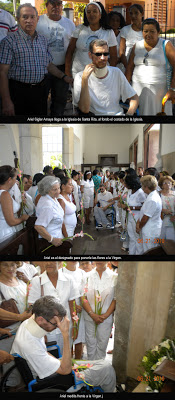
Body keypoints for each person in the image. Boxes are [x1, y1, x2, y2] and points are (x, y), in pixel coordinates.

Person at [11, 296, 116, 392]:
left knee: (100, 363)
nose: (57, 327)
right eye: (55, 324)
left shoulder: (28, 324)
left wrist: (57, 361)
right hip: (56, 380)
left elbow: (43, 352)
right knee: (107, 368)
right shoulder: (31, 346)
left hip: (51, 367)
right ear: (41, 319)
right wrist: (65, 335)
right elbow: (65, 370)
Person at [0, 3, 72, 116]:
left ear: (37, 19)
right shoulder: (9, 42)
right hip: (18, 92)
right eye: (25, 17)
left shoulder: (43, 40)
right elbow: (2, 73)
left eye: (32, 17)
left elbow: (48, 65)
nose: (29, 20)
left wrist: (64, 76)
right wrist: (6, 101)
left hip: (40, 92)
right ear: (18, 19)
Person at [73, 39, 138, 116]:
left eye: (105, 54)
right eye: (98, 54)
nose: (103, 58)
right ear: (90, 55)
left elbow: (134, 97)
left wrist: (129, 115)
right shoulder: (80, 77)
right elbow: (84, 109)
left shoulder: (116, 72)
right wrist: (85, 80)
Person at [125, 18, 175, 115]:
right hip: (137, 90)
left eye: (152, 31)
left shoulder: (166, 45)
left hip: (160, 91)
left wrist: (172, 89)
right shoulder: (137, 45)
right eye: (145, 31)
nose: (148, 34)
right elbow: (130, 67)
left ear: (158, 32)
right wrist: (126, 88)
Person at [28, 262, 79, 354]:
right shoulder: (37, 281)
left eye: (52, 260)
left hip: (66, 326)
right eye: (46, 260)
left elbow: (73, 305)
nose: (48, 263)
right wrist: (39, 330)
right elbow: (33, 309)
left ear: (59, 261)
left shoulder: (69, 279)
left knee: (65, 354)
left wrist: (75, 325)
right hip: (46, 328)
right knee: (49, 356)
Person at [37, 0, 75, 116]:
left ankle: (56, 124)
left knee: (60, 101)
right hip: (42, 68)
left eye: (59, 4)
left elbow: (73, 47)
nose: (56, 7)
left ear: (62, 6)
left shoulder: (69, 24)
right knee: (40, 100)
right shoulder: (38, 21)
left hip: (62, 68)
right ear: (47, 5)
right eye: (52, 3)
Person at [65, 1, 117, 79]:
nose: (91, 14)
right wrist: (67, 73)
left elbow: (113, 57)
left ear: (100, 14)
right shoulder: (79, 29)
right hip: (79, 73)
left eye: (94, 11)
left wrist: (108, 74)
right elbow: (70, 51)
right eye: (88, 12)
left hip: (100, 74)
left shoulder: (109, 32)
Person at [81, 262, 117, 361]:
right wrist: (92, 314)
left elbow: (115, 299)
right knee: (90, 345)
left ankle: (100, 371)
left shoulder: (115, 277)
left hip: (106, 318)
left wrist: (105, 316)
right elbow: (83, 297)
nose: (99, 260)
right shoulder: (86, 276)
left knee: (102, 345)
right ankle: (92, 371)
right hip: (89, 317)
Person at [0, 262, 29, 375]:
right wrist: (19, 317)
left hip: (25, 329)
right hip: (8, 332)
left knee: (24, 361)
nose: (10, 268)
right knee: (10, 363)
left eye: (12, 265)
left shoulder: (21, 282)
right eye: (5, 265)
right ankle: (10, 388)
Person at [35, 176, 68, 253]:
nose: (58, 191)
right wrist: (52, 239)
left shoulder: (53, 198)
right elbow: (38, 226)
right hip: (49, 243)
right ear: (47, 190)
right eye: (54, 189)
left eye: (58, 188)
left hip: (57, 237)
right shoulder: (48, 205)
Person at [62, 262, 86, 359]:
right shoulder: (61, 272)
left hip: (80, 311)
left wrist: (81, 304)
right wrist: (74, 305)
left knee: (79, 336)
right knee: (69, 337)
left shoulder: (82, 273)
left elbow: (84, 291)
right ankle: (68, 362)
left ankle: (78, 363)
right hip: (67, 310)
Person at [0, 165, 29, 243]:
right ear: (9, 179)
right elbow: (11, 221)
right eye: (15, 178)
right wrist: (23, 218)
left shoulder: (5, 193)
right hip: (5, 233)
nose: (16, 181)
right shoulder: (4, 194)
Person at [136, 175, 162, 253]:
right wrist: (138, 221)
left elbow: (146, 217)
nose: (142, 188)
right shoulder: (151, 195)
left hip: (151, 231)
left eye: (142, 186)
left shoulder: (152, 199)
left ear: (146, 187)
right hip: (149, 228)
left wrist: (139, 227)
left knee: (149, 252)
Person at [122, 175, 146, 255]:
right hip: (130, 217)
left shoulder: (140, 193)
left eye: (126, 183)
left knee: (138, 238)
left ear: (131, 183)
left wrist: (132, 207)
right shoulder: (129, 191)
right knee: (132, 237)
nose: (124, 184)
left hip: (137, 218)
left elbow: (145, 207)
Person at [119, 4, 144, 70]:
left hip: (143, 65)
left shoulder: (146, 30)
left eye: (136, 13)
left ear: (142, 14)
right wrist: (127, 67)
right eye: (131, 13)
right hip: (127, 64)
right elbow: (122, 51)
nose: (133, 16)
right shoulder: (125, 30)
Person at [159, 176, 175, 241]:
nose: (168, 185)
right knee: (161, 239)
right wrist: (162, 210)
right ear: (161, 185)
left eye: (169, 183)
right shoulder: (158, 194)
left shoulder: (174, 194)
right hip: (161, 219)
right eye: (165, 183)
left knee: (171, 240)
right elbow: (154, 207)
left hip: (172, 220)